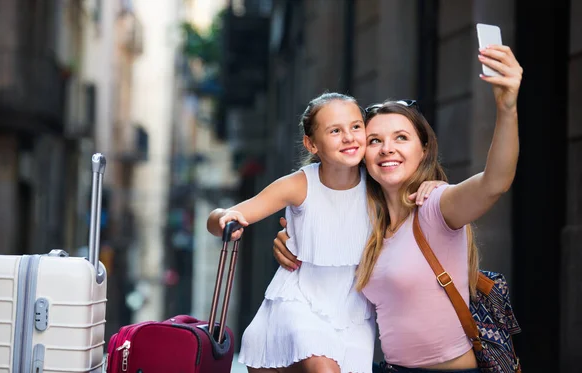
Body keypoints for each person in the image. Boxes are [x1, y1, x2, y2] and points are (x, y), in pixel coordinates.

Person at [272, 44, 522, 373]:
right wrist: (290, 244)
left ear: (424, 149)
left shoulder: (433, 205)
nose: (387, 148)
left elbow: (495, 183)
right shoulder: (364, 222)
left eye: (401, 137)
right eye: (374, 140)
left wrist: (508, 108)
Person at [207, 91, 444, 373]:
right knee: (323, 367)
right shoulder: (299, 184)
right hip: (298, 301)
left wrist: (433, 187)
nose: (349, 137)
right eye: (335, 131)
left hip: (352, 314)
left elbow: (413, 194)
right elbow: (224, 216)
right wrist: (224, 219)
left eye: (356, 127)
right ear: (311, 143)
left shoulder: (377, 184)